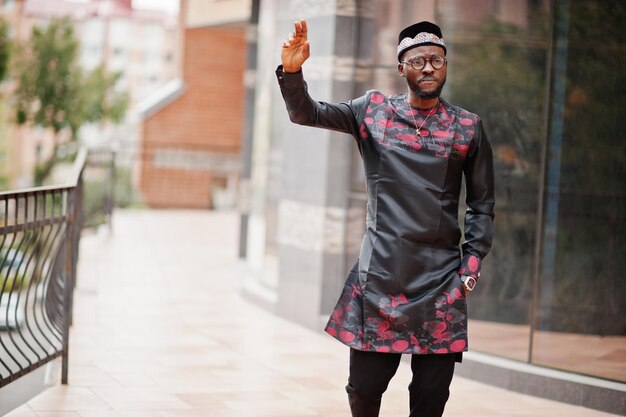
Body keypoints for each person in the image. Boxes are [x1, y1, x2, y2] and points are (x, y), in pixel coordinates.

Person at [277, 19, 495, 417]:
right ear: (401, 68)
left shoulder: (467, 127)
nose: (428, 68)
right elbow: (307, 113)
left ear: (445, 65)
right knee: (363, 389)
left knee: (431, 398)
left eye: (436, 59)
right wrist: (293, 72)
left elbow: (482, 206)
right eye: (418, 61)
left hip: (442, 282)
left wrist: (471, 264)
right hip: (379, 278)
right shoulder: (372, 111)